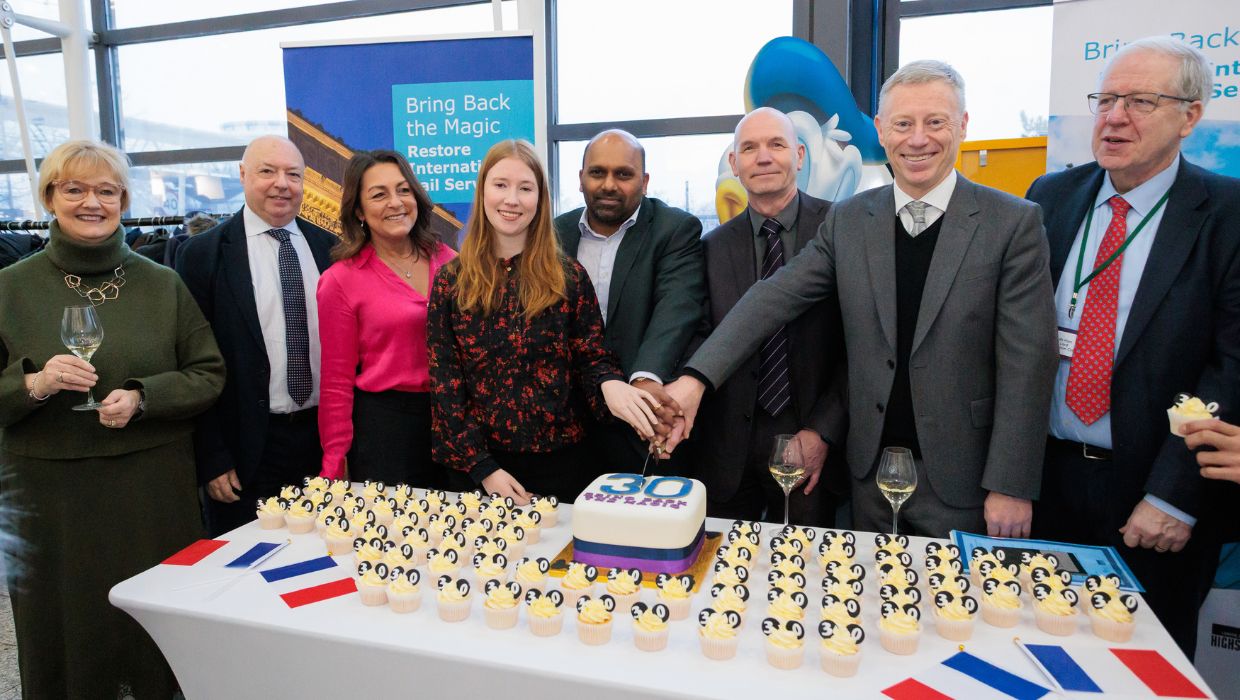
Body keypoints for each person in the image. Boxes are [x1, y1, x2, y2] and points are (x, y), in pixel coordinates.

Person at [666, 60, 1057, 539]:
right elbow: (774, 297)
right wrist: (695, 379)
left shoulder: (1012, 223)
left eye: (935, 122)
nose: (918, 139)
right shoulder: (850, 221)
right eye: (902, 124)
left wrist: (1011, 484)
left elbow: (1028, 361)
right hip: (868, 477)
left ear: (963, 126)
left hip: (964, 482)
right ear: (880, 130)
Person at [1026, 36, 1240, 657]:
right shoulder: (1050, 197)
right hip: (1046, 483)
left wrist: (1175, 493)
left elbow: (1231, 367)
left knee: (1142, 669)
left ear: (1191, 116)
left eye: (1141, 101)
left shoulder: (1224, 213)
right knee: (1034, 659)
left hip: (1152, 496)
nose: (1115, 117)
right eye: (1107, 99)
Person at [0, 140, 225, 697]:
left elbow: (207, 373)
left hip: (151, 494)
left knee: (155, 636)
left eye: (106, 190)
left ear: (124, 200)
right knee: (65, 635)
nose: (92, 202)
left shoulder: (163, 283)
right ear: (49, 197)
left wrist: (143, 396)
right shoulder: (9, 287)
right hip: (50, 500)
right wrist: (33, 383)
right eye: (74, 189)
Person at [428, 139, 660, 504]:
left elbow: (592, 360)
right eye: (500, 185)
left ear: (540, 199)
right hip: (480, 472)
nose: (512, 200)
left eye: (525, 188)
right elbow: (446, 388)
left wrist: (612, 384)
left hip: (565, 468)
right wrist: (483, 468)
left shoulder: (568, 276)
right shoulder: (450, 282)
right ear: (483, 191)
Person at [689, 107, 847, 526]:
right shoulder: (712, 248)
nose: (763, 157)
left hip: (810, 442)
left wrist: (822, 430)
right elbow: (701, 335)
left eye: (776, 145)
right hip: (727, 454)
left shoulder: (842, 228)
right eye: (749, 148)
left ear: (798, 155)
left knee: (804, 574)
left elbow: (865, 345)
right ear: (733, 164)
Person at [176, 135, 337, 536]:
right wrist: (213, 457)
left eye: (293, 174)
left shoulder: (332, 249)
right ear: (243, 175)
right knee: (248, 570)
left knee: (329, 560)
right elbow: (192, 363)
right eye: (268, 171)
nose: (281, 183)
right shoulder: (203, 254)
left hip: (322, 443)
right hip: (246, 450)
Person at [553, 129, 705, 473]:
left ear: (645, 181)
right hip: (567, 429)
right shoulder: (553, 235)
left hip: (646, 425)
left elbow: (677, 309)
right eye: (597, 172)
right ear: (581, 179)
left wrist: (643, 381)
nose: (609, 184)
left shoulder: (674, 229)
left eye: (623, 174)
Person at [316, 150, 456, 486]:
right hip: (386, 435)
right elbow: (335, 383)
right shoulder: (340, 281)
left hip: (455, 422)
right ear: (359, 211)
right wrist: (334, 463)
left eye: (404, 190)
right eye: (379, 194)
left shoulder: (451, 262)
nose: (395, 202)